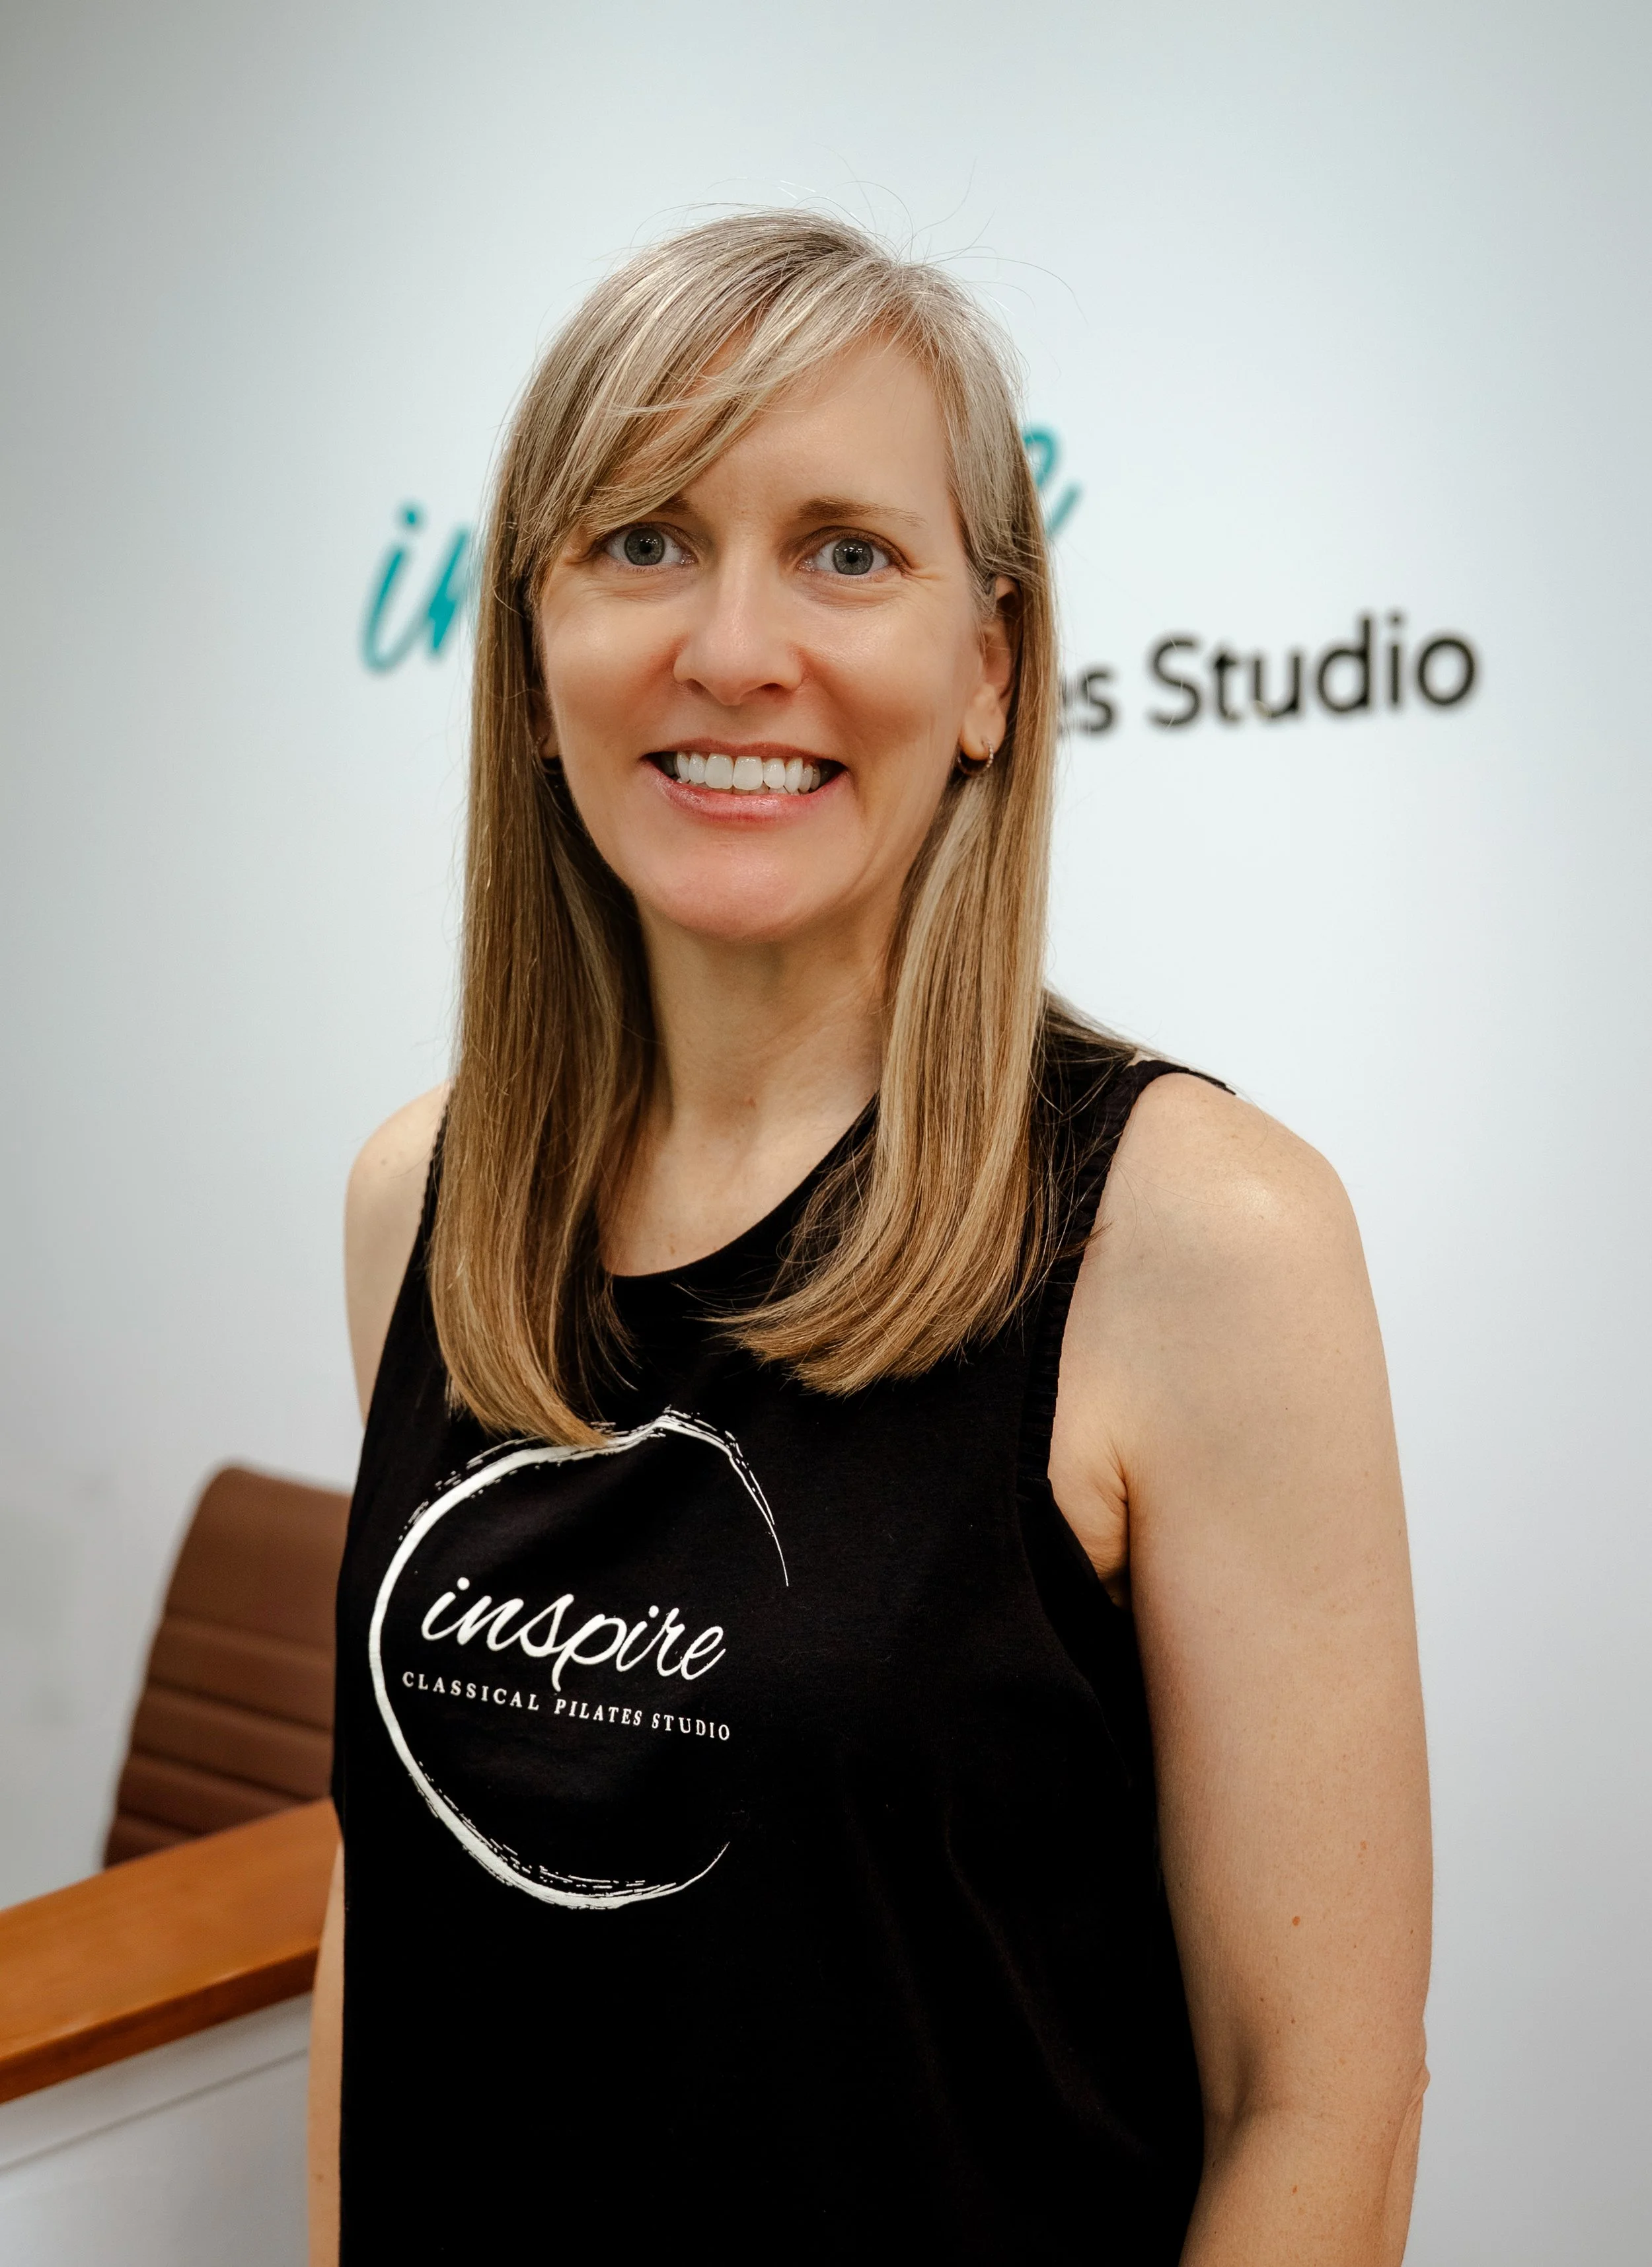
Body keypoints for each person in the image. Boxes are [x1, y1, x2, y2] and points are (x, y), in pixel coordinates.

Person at [308, 211, 1430, 2265]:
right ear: (533, 659)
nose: (734, 646)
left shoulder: (1200, 1238)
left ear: (988, 667)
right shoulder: (423, 1204)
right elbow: (389, 1919)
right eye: (642, 538)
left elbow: (1318, 2109)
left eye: (845, 549)